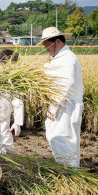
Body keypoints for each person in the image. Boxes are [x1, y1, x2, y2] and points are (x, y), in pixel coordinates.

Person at [38, 27, 83, 167]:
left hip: (65, 106)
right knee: (62, 141)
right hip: (62, 106)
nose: (45, 48)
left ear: (57, 41)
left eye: (47, 44)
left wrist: (55, 107)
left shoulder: (67, 58)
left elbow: (66, 84)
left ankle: (68, 175)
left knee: (62, 141)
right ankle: (69, 174)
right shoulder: (59, 57)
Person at [0, 49, 24, 154]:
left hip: (3, 114)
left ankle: (5, 160)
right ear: (0, 63)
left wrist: (18, 122)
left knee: (4, 140)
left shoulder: (16, 79)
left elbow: (18, 101)